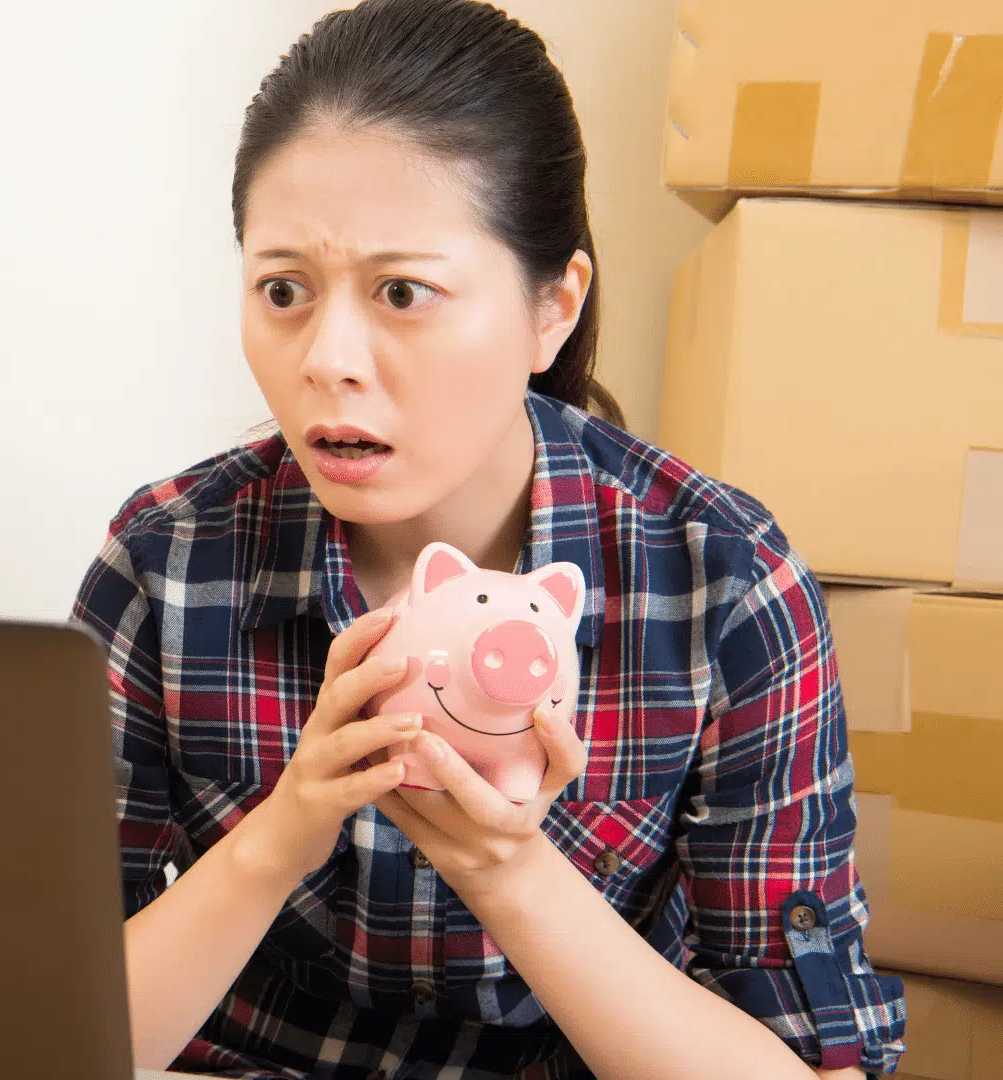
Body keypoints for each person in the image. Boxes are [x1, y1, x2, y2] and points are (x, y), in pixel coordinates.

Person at [69, 1, 907, 1077]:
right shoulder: (167, 562)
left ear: (552, 307)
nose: (329, 358)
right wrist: (278, 842)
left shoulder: (721, 580)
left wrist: (513, 873)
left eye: (403, 293)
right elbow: (48, 1029)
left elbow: (808, 1066)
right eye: (283, 290)